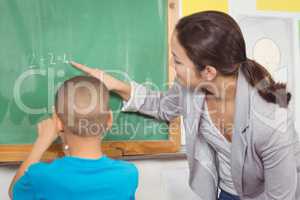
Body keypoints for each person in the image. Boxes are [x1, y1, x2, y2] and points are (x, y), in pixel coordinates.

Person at [70, 11, 300, 200]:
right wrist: (116, 86)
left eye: (177, 60)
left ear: (208, 71)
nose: (172, 64)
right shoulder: (190, 88)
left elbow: (281, 196)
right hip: (227, 193)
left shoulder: (270, 120)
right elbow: (162, 106)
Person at [9, 76, 138, 200]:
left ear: (58, 123)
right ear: (109, 119)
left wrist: (42, 141)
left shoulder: (40, 177)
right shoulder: (128, 175)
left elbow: (14, 192)